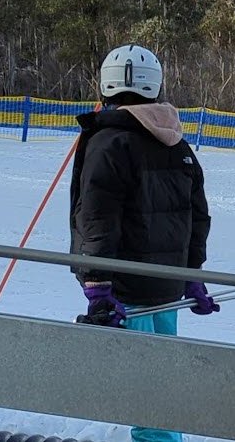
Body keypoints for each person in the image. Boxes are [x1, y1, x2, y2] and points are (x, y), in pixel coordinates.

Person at [70, 44, 214, 442]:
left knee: (146, 389)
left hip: (127, 288)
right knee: (160, 382)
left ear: (105, 86)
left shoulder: (109, 143)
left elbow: (97, 217)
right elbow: (197, 218)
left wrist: (97, 284)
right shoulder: (177, 143)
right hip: (165, 284)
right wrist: (190, 274)